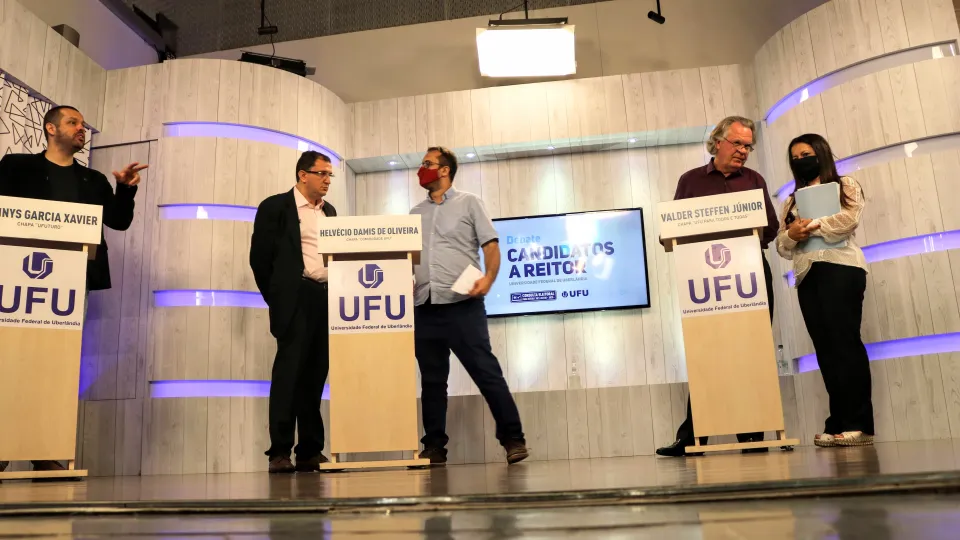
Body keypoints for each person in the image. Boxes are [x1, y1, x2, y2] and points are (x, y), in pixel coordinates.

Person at [0, 105, 146, 476]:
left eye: (83, 124)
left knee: (57, 366)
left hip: (70, 284)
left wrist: (125, 188)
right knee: (10, 360)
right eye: (73, 122)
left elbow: (118, 221)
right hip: (15, 280)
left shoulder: (93, 181)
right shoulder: (17, 167)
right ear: (51, 128)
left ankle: (44, 446)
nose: (81, 129)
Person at [656, 115, 779, 458]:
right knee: (704, 355)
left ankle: (753, 436)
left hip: (750, 275)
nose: (743, 151)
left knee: (750, 355)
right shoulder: (691, 180)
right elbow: (670, 231)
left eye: (748, 146)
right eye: (738, 143)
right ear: (718, 142)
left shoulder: (754, 180)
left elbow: (769, 228)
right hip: (704, 280)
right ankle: (692, 438)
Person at [411, 146, 528, 466]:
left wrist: (489, 278)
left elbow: (490, 245)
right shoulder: (414, 214)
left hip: (464, 305)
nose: (421, 169)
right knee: (432, 382)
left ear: (445, 170)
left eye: (427, 164)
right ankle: (434, 446)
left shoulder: (470, 203)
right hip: (425, 305)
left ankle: (513, 439)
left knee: (487, 373)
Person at [776, 133, 873, 447]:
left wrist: (811, 226)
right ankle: (838, 422)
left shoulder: (846, 185)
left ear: (821, 153)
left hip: (842, 267)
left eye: (806, 154)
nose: (800, 160)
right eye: (795, 157)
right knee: (826, 351)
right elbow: (781, 245)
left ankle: (860, 424)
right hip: (807, 274)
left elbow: (847, 220)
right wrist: (793, 232)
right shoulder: (791, 200)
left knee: (845, 343)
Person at [250, 150, 338, 473]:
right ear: (303, 174)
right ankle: (280, 451)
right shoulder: (275, 207)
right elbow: (259, 260)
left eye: (330, 175)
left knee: (316, 377)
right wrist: (278, 297)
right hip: (295, 297)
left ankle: (311, 450)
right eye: (322, 174)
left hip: (326, 298)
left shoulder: (330, 212)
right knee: (289, 375)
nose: (328, 180)